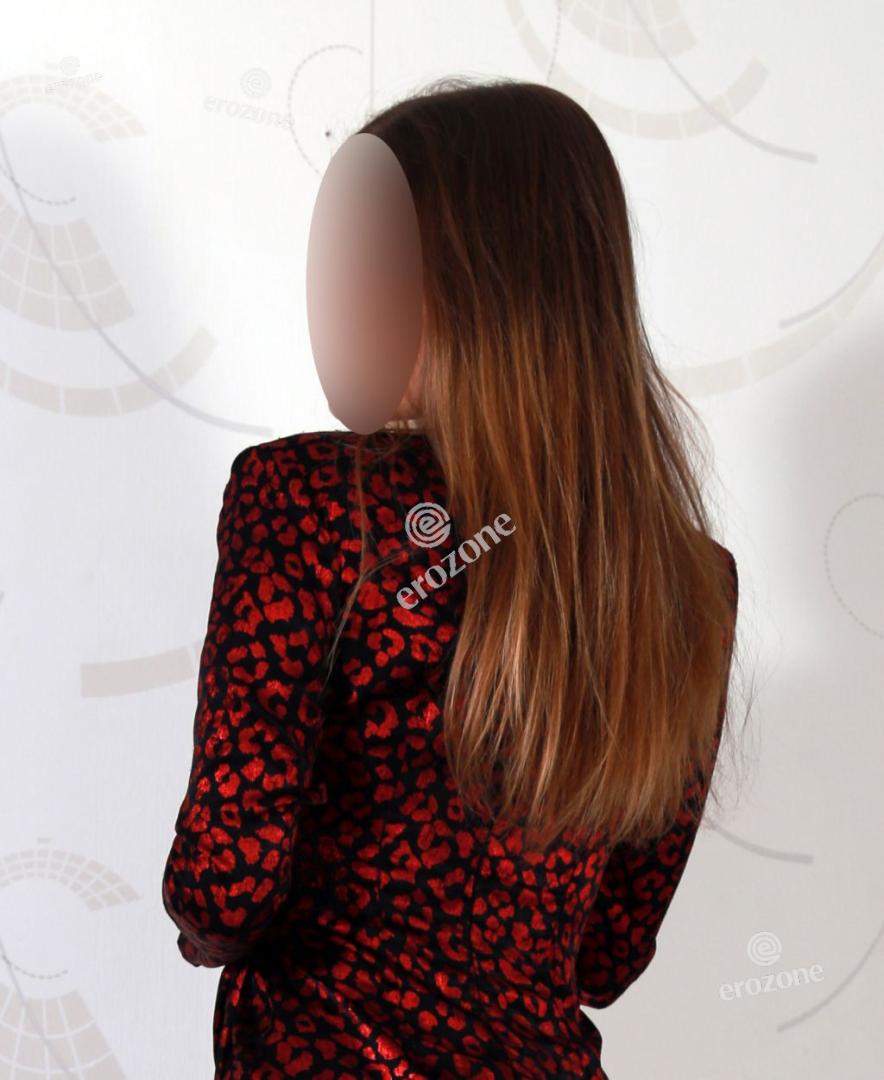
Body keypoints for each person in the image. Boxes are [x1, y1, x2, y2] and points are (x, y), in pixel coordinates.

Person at [161, 77, 741, 1080]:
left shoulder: (314, 504)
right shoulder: (682, 580)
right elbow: (605, 953)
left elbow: (226, 880)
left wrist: (210, 935)